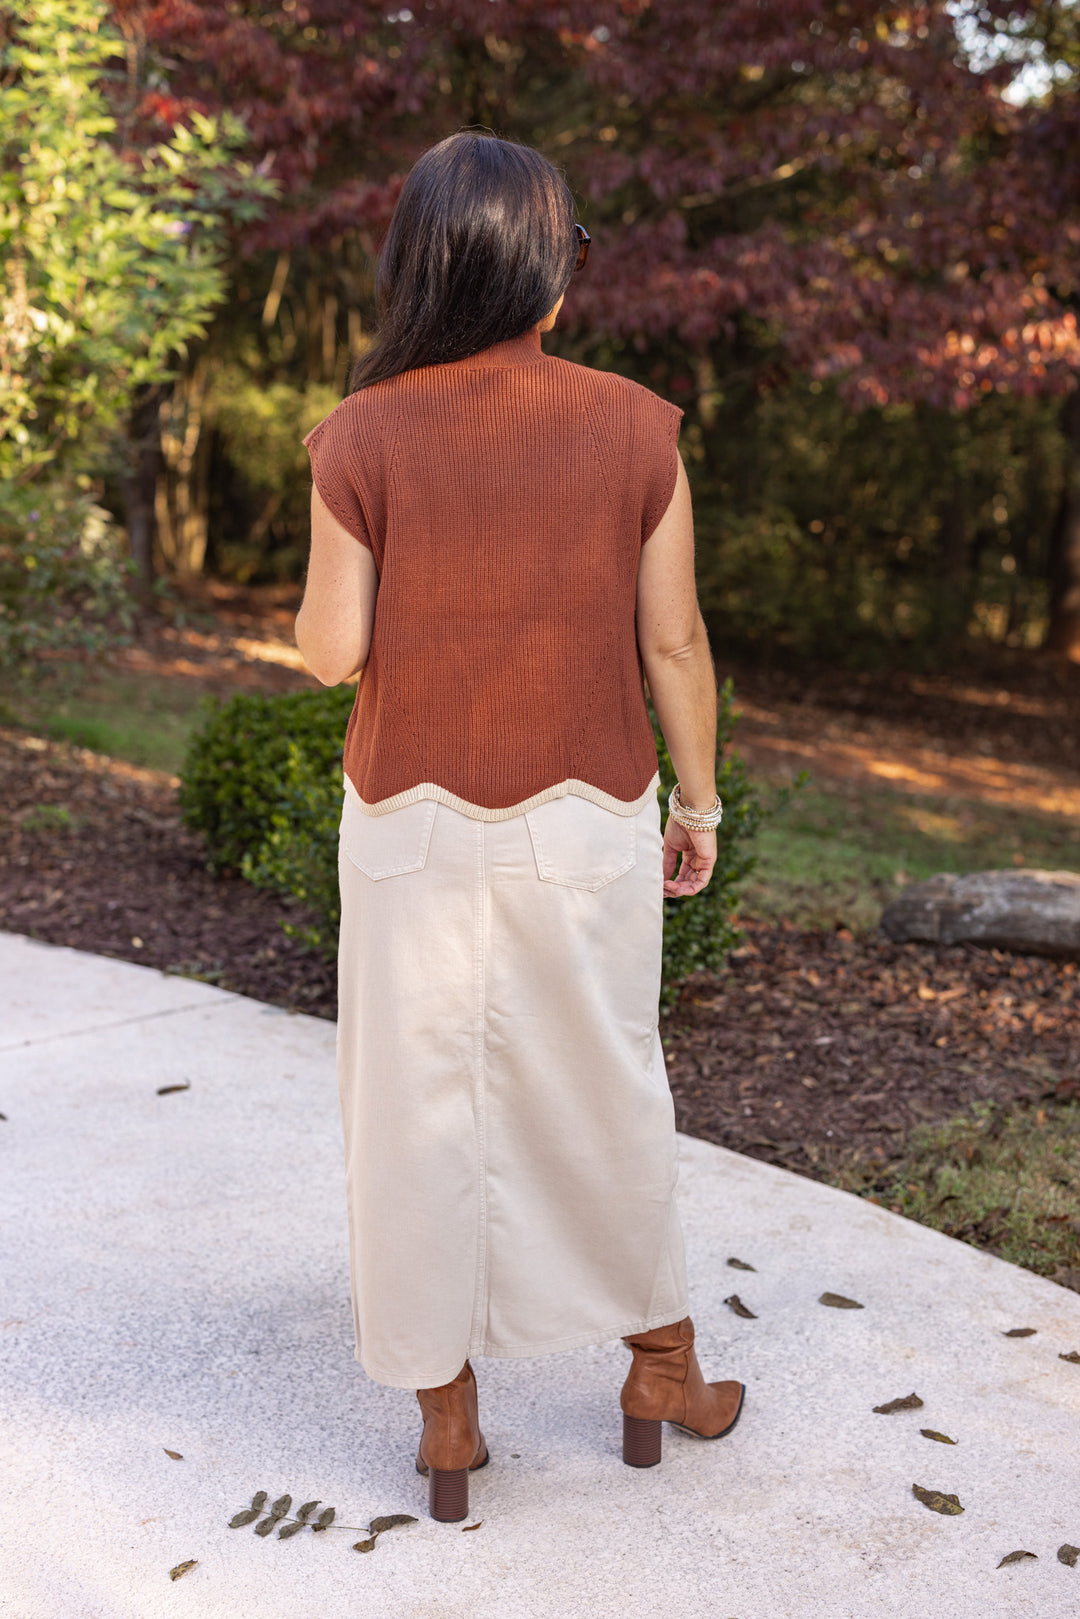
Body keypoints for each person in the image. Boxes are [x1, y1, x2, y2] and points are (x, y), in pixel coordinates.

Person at [295, 130, 743, 1524]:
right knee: (607, 1090)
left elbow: (330, 651)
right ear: (545, 270)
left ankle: (449, 1419)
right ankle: (659, 1369)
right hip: (588, 816)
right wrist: (700, 802)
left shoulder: (357, 436)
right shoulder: (637, 426)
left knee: (412, 1111)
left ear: (422, 268)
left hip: (409, 823)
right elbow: (673, 642)